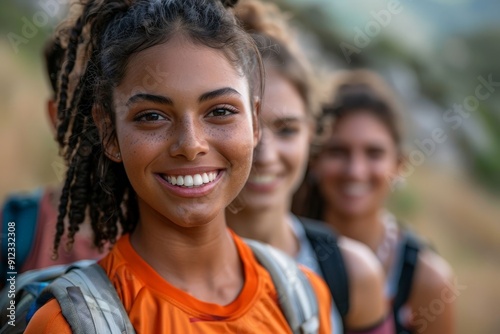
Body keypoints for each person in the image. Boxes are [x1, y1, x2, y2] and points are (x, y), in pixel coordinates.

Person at [25, 0, 333, 332]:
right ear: (110, 133)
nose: (190, 144)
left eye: (220, 111)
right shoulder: (68, 324)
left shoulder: (303, 299)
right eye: (152, 116)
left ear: (254, 122)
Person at [227, 2, 393, 333]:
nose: (265, 154)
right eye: (247, 127)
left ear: (312, 135)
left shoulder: (353, 274)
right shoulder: (152, 259)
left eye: (287, 129)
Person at [292, 69, 455, 334]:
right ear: (314, 160)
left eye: (374, 153)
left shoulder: (426, 281)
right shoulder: (285, 239)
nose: (355, 171)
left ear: (399, 165)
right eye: (338, 151)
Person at [0, 37, 102, 287]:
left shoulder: (161, 230)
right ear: (55, 116)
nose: (99, 114)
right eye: (82, 96)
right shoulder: (17, 226)